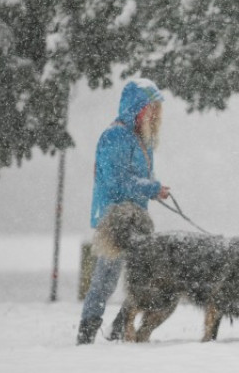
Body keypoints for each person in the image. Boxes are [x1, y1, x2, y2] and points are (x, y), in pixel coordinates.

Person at [76, 78, 170, 345]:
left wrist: (153, 189)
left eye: (157, 109)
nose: (155, 114)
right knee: (106, 279)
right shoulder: (116, 136)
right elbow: (117, 182)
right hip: (115, 221)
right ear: (137, 107)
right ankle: (86, 335)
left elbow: (136, 179)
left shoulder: (142, 138)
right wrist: (152, 188)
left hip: (136, 219)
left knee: (143, 274)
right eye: (151, 108)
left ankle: (118, 328)